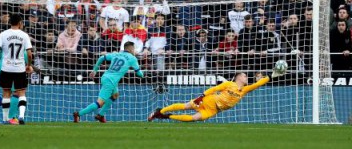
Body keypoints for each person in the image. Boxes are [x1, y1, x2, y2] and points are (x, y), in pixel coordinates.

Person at [148, 70, 285, 122]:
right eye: (244, 75)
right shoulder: (229, 84)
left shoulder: (244, 90)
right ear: (238, 77)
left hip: (213, 110)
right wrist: (202, 96)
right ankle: (161, 110)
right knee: (185, 106)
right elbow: (215, 88)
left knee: (192, 118)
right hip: (208, 100)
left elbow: (258, 84)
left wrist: (271, 76)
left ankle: (164, 115)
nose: (246, 77)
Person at [73, 41, 144, 123]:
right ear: (131, 49)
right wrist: (143, 74)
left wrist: (95, 70)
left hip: (106, 77)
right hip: (111, 81)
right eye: (134, 48)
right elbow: (139, 74)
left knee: (115, 95)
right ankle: (78, 114)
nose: (134, 50)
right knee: (100, 103)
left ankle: (101, 115)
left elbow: (101, 58)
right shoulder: (132, 58)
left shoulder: (116, 54)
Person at [0, 14, 34, 125]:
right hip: (19, 69)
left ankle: (5, 119)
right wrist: (29, 65)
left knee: (6, 93)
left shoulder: (3, 34)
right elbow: (29, 54)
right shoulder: (24, 35)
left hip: (6, 68)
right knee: (21, 93)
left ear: (10, 23)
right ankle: (21, 116)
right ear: (20, 23)